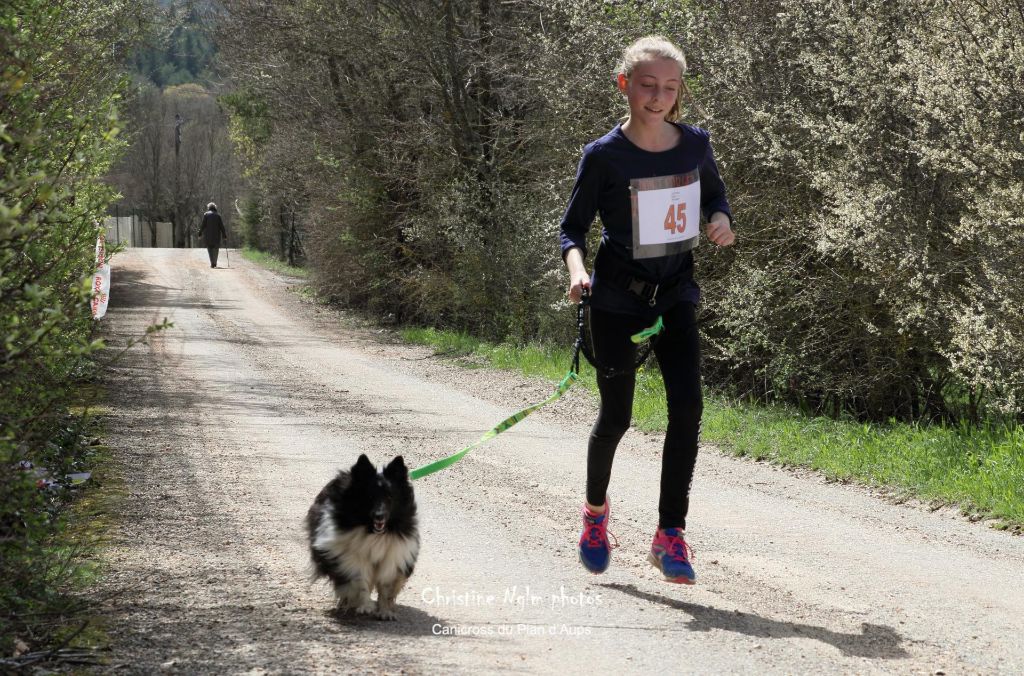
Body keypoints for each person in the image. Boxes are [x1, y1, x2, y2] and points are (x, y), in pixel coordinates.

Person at [559, 35, 735, 585]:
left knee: (688, 408)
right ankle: (594, 517)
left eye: (669, 87)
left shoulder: (695, 145)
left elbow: (715, 198)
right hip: (615, 299)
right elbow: (571, 230)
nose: (658, 97)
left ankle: (670, 535)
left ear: (679, 92)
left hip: (676, 292)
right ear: (625, 86)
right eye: (647, 85)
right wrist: (578, 272)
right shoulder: (604, 156)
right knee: (618, 417)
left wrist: (720, 221)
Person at [199, 202, 228, 268]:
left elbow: (203, 225)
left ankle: (212, 263)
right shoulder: (218, 215)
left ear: (208, 208)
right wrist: (224, 236)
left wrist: (200, 233)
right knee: (216, 249)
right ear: (215, 208)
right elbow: (222, 227)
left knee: (210, 249)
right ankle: (215, 262)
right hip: (217, 236)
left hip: (208, 236)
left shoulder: (206, 215)